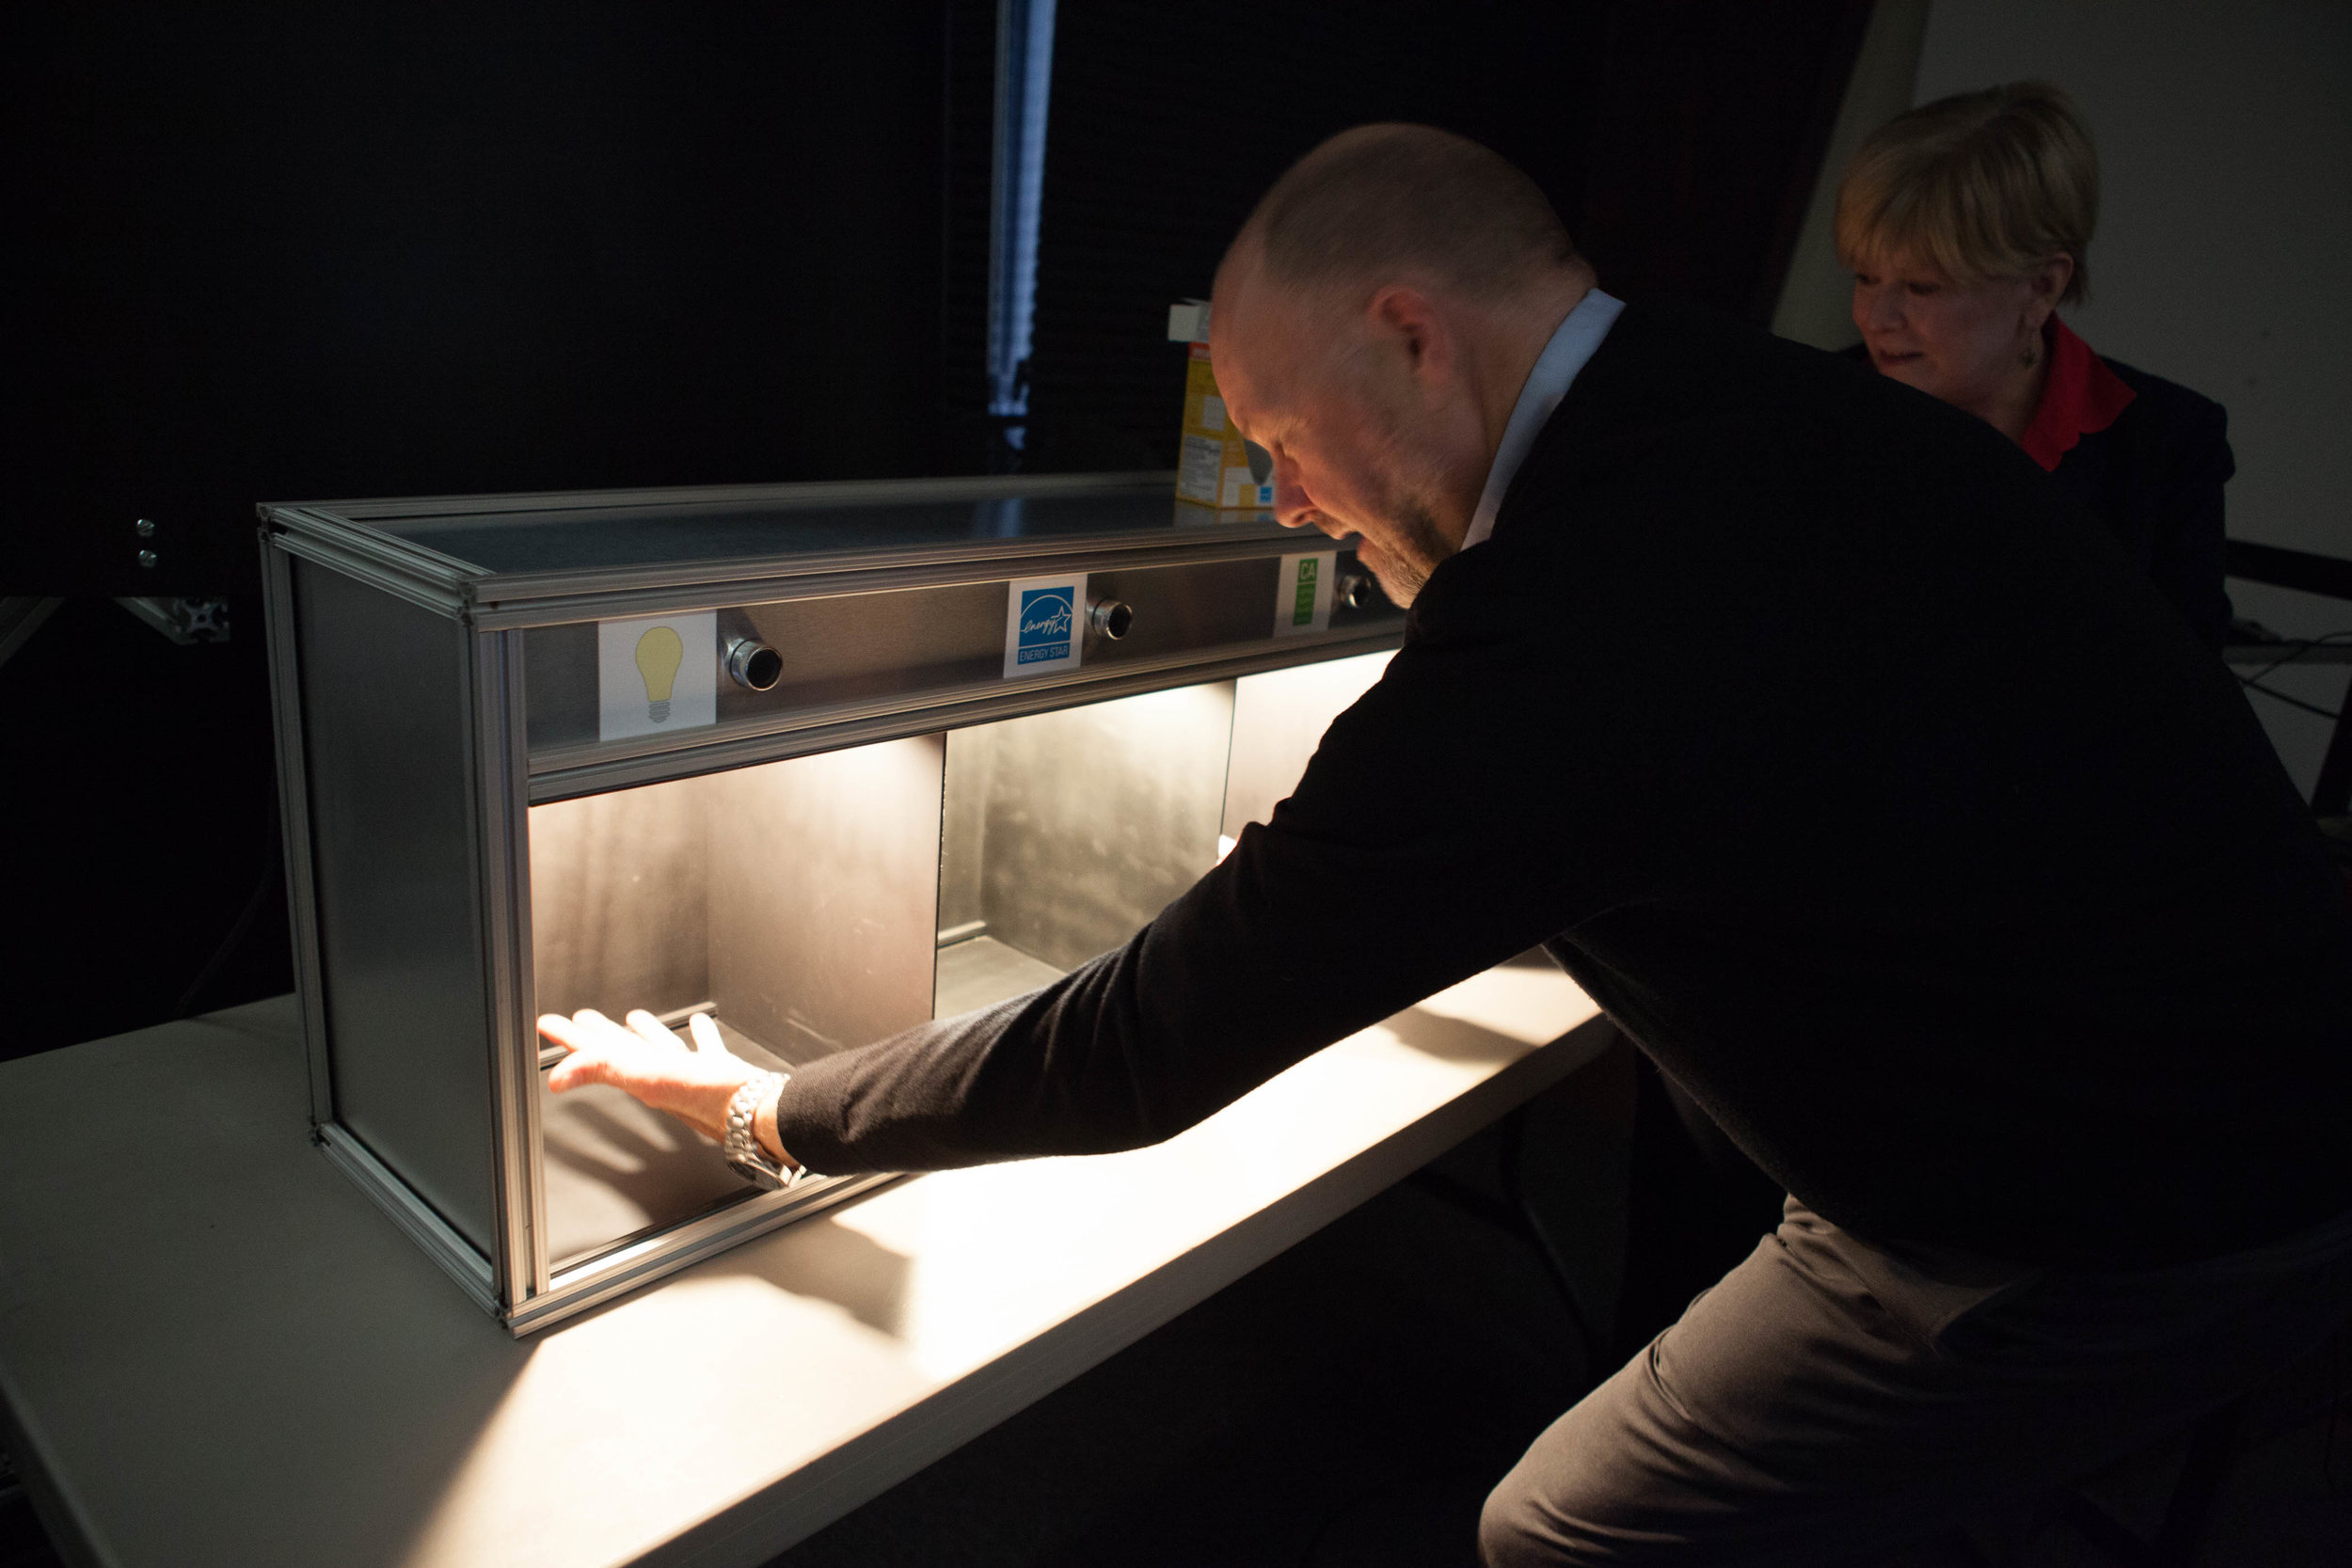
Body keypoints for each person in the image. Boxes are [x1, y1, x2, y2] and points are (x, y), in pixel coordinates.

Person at [538, 125, 2352, 1563]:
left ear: (1410, 329)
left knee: (1566, 1527)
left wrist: (776, 1110)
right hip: (2176, 1063)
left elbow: (1150, 1044)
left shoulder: (1580, 599)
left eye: (1279, 436)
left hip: (2118, 1197)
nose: (1287, 500)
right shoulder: (1741, 409)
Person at [1839, 81, 2235, 648]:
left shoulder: (2167, 445)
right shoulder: (1806, 411)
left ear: (2043, 286)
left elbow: (2183, 701)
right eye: (1864, 277)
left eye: (1922, 286)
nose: (1874, 318)